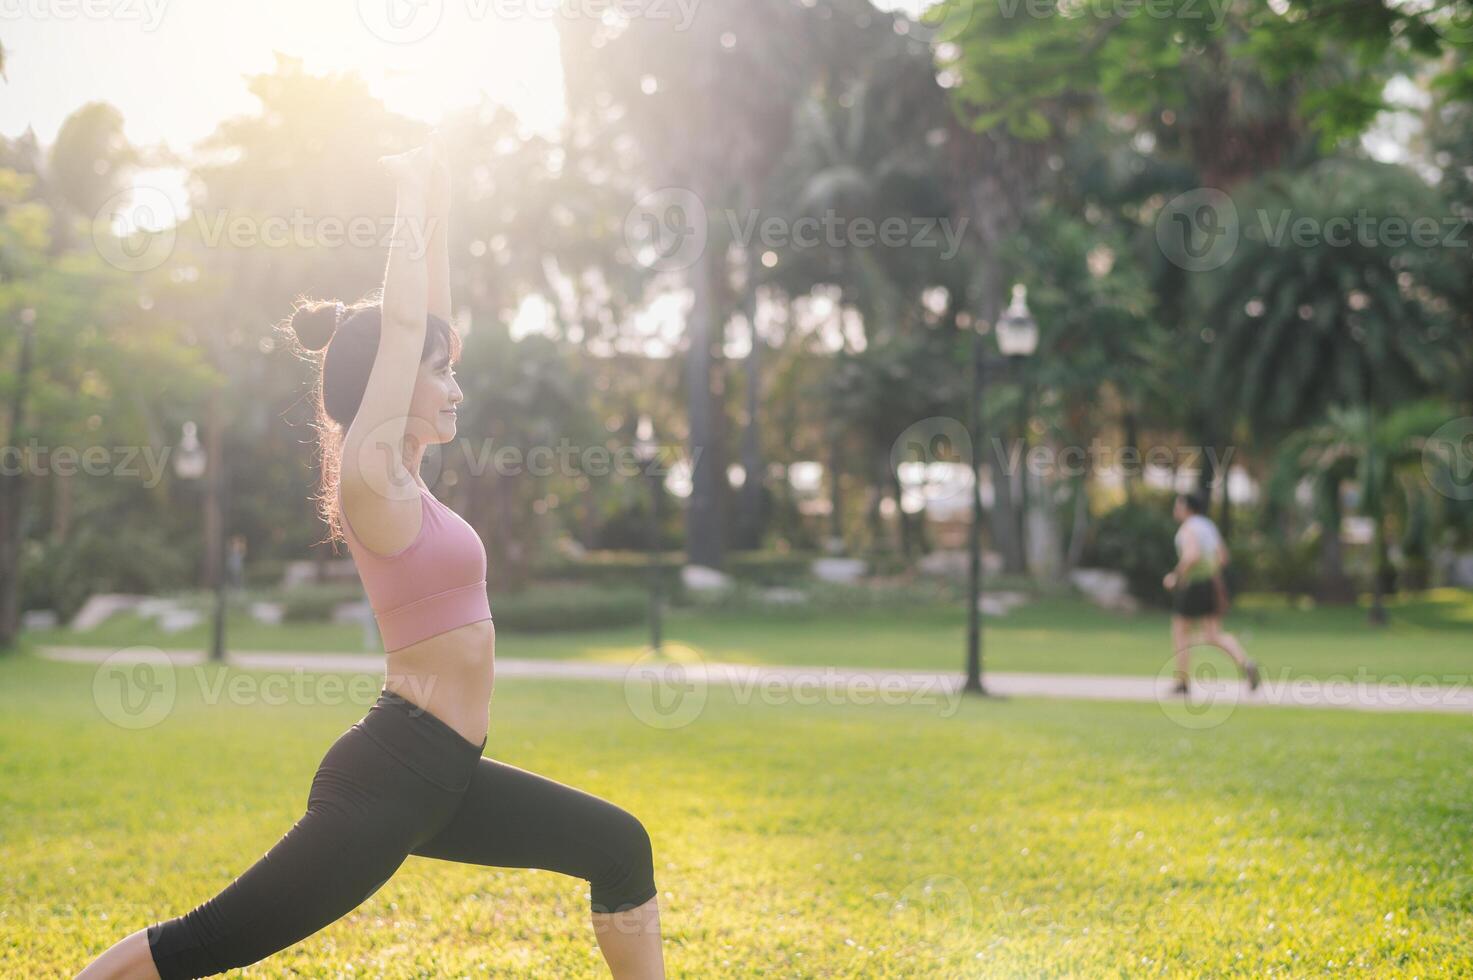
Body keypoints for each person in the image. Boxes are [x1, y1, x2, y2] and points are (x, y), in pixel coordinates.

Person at [76, 135, 664, 980]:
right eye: (440, 375)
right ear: (389, 385)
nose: (457, 388)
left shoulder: (412, 480)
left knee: (619, 848)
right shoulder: (370, 473)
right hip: (391, 781)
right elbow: (401, 324)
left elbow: (428, 323)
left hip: (447, 776)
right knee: (203, 943)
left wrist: (443, 203)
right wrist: (408, 196)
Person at [1163, 491, 1260, 697]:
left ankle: (1182, 682)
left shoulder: (1188, 528)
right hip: (1212, 583)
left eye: (1178, 505)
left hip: (1193, 584)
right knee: (1213, 634)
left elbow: (1192, 555)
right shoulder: (1208, 526)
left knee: (1180, 632)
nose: (1175, 509)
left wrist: (1176, 576)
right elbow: (1223, 557)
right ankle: (1246, 663)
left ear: (1187, 508)